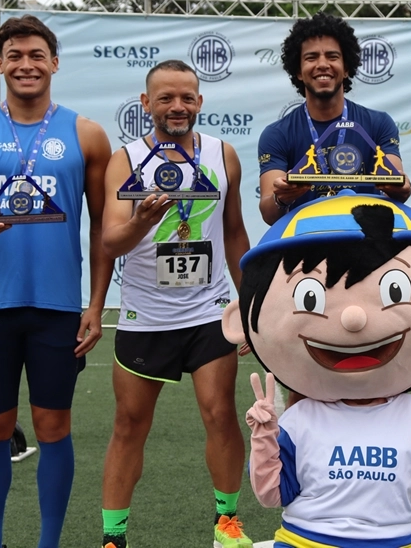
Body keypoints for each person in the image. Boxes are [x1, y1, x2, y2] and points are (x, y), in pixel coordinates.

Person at [220, 191, 411, 547]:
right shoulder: (300, 419)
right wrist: (265, 438)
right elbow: (272, 496)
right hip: (306, 541)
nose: (353, 318)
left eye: (395, 289)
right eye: (310, 298)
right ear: (240, 321)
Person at [0, 15, 113, 548]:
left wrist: (97, 305)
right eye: (15, 55)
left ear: (54, 63)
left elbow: (104, 227)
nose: (26, 64)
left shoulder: (86, 134)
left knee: (54, 428)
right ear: (0, 65)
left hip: (57, 309)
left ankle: (48, 543)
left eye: (36, 54)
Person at [99, 60, 252, 548]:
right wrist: (143, 219)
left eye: (187, 97)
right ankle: (113, 536)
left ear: (200, 102)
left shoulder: (223, 155)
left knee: (220, 414)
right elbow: (111, 243)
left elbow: (233, 232)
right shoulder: (124, 162)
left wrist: (248, 303)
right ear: (146, 104)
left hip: (209, 311)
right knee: (129, 425)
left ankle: (227, 522)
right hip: (147, 316)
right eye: (165, 98)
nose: (177, 107)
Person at [257, 12, 411, 226]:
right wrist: (281, 197)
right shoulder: (277, 134)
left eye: (332, 56)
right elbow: (268, 212)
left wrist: (401, 187)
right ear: (298, 71)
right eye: (311, 57)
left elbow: (397, 189)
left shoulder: (379, 124)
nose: (322, 64)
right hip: (305, 242)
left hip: (366, 244)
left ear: (346, 68)